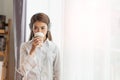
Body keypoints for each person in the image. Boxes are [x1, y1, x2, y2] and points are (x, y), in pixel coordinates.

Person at [19, 13, 60, 80]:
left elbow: (57, 73)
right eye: (36, 28)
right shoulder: (25, 46)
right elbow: (23, 71)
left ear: (48, 28)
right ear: (32, 29)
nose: (39, 31)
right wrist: (32, 50)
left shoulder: (54, 48)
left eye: (42, 28)